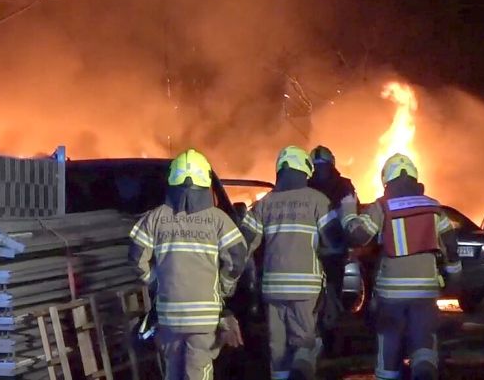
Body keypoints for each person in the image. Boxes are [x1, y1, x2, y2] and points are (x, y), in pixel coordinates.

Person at [128, 149, 248, 380]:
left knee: (173, 372)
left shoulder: (155, 218)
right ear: (206, 180)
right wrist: (224, 286)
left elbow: (136, 257)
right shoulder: (218, 220)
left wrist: (155, 281)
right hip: (205, 319)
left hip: (169, 316)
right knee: (198, 372)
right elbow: (237, 257)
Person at [340, 153, 461, 380]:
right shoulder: (433, 207)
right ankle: (424, 372)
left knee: (389, 340)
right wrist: (454, 277)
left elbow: (358, 236)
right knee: (424, 341)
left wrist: (347, 212)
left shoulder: (382, 206)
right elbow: (451, 247)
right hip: (425, 292)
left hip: (391, 295)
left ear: (387, 179)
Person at [241, 146, 344, 380]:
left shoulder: (265, 203)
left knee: (277, 349)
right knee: (305, 345)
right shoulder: (318, 200)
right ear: (305, 170)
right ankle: (301, 372)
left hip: (273, 289)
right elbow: (335, 242)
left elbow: (243, 244)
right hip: (305, 289)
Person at [307, 145, 357, 357]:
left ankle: (323, 340)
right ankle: (329, 342)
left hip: (316, 252)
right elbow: (351, 216)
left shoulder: (306, 186)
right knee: (331, 297)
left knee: (320, 299)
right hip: (331, 251)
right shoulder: (344, 186)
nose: (320, 172)